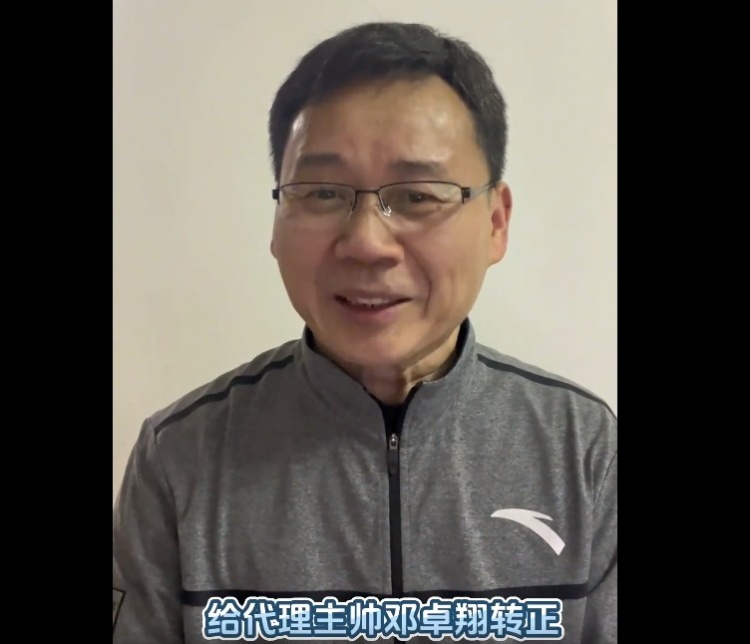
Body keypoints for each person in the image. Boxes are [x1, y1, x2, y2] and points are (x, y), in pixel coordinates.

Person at [113, 21, 617, 644]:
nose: (366, 243)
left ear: (495, 222)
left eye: (418, 196)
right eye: (323, 192)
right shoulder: (179, 458)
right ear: (277, 219)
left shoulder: (584, 451)